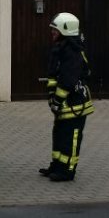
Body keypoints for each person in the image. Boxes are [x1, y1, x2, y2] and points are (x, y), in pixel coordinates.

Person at [40, 11, 94, 182]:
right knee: (59, 135)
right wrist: (52, 97)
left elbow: (67, 81)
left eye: (55, 30)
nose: (52, 32)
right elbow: (53, 76)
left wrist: (56, 100)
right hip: (64, 104)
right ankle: (57, 166)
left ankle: (68, 171)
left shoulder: (72, 52)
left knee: (71, 138)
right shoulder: (61, 49)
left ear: (65, 30)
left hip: (74, 104)